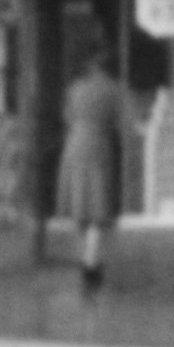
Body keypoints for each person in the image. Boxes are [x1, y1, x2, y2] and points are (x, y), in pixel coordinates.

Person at [55, 18, 138, 292]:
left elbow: (67, 117)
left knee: (80, 210)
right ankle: (91, 263)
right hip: (98, 147)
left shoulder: (75, 89)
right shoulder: (114, 89)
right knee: (97, 211)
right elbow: (126, 124)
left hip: (74, 146)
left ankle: (85, 259)